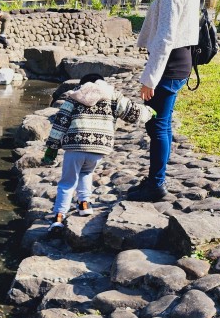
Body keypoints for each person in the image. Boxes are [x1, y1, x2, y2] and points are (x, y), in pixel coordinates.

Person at [128, 0, 201, 203]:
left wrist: (150, 78)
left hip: (169, 65)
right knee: (163, 124)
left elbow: (165, 37)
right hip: (181, 61)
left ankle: (156, 184)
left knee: (157, 125)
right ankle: (155, 179)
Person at [43, 74, 155, 229]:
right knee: (86, 172)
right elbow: (132, 112)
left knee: (68, 182)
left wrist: (52, 148)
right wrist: (149, 112)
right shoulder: (113, 96)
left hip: (75, 146)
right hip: (99, 147)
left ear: (82, 84)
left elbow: (60, 123)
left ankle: (59, 217)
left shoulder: (73, 97)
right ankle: (84, 204)